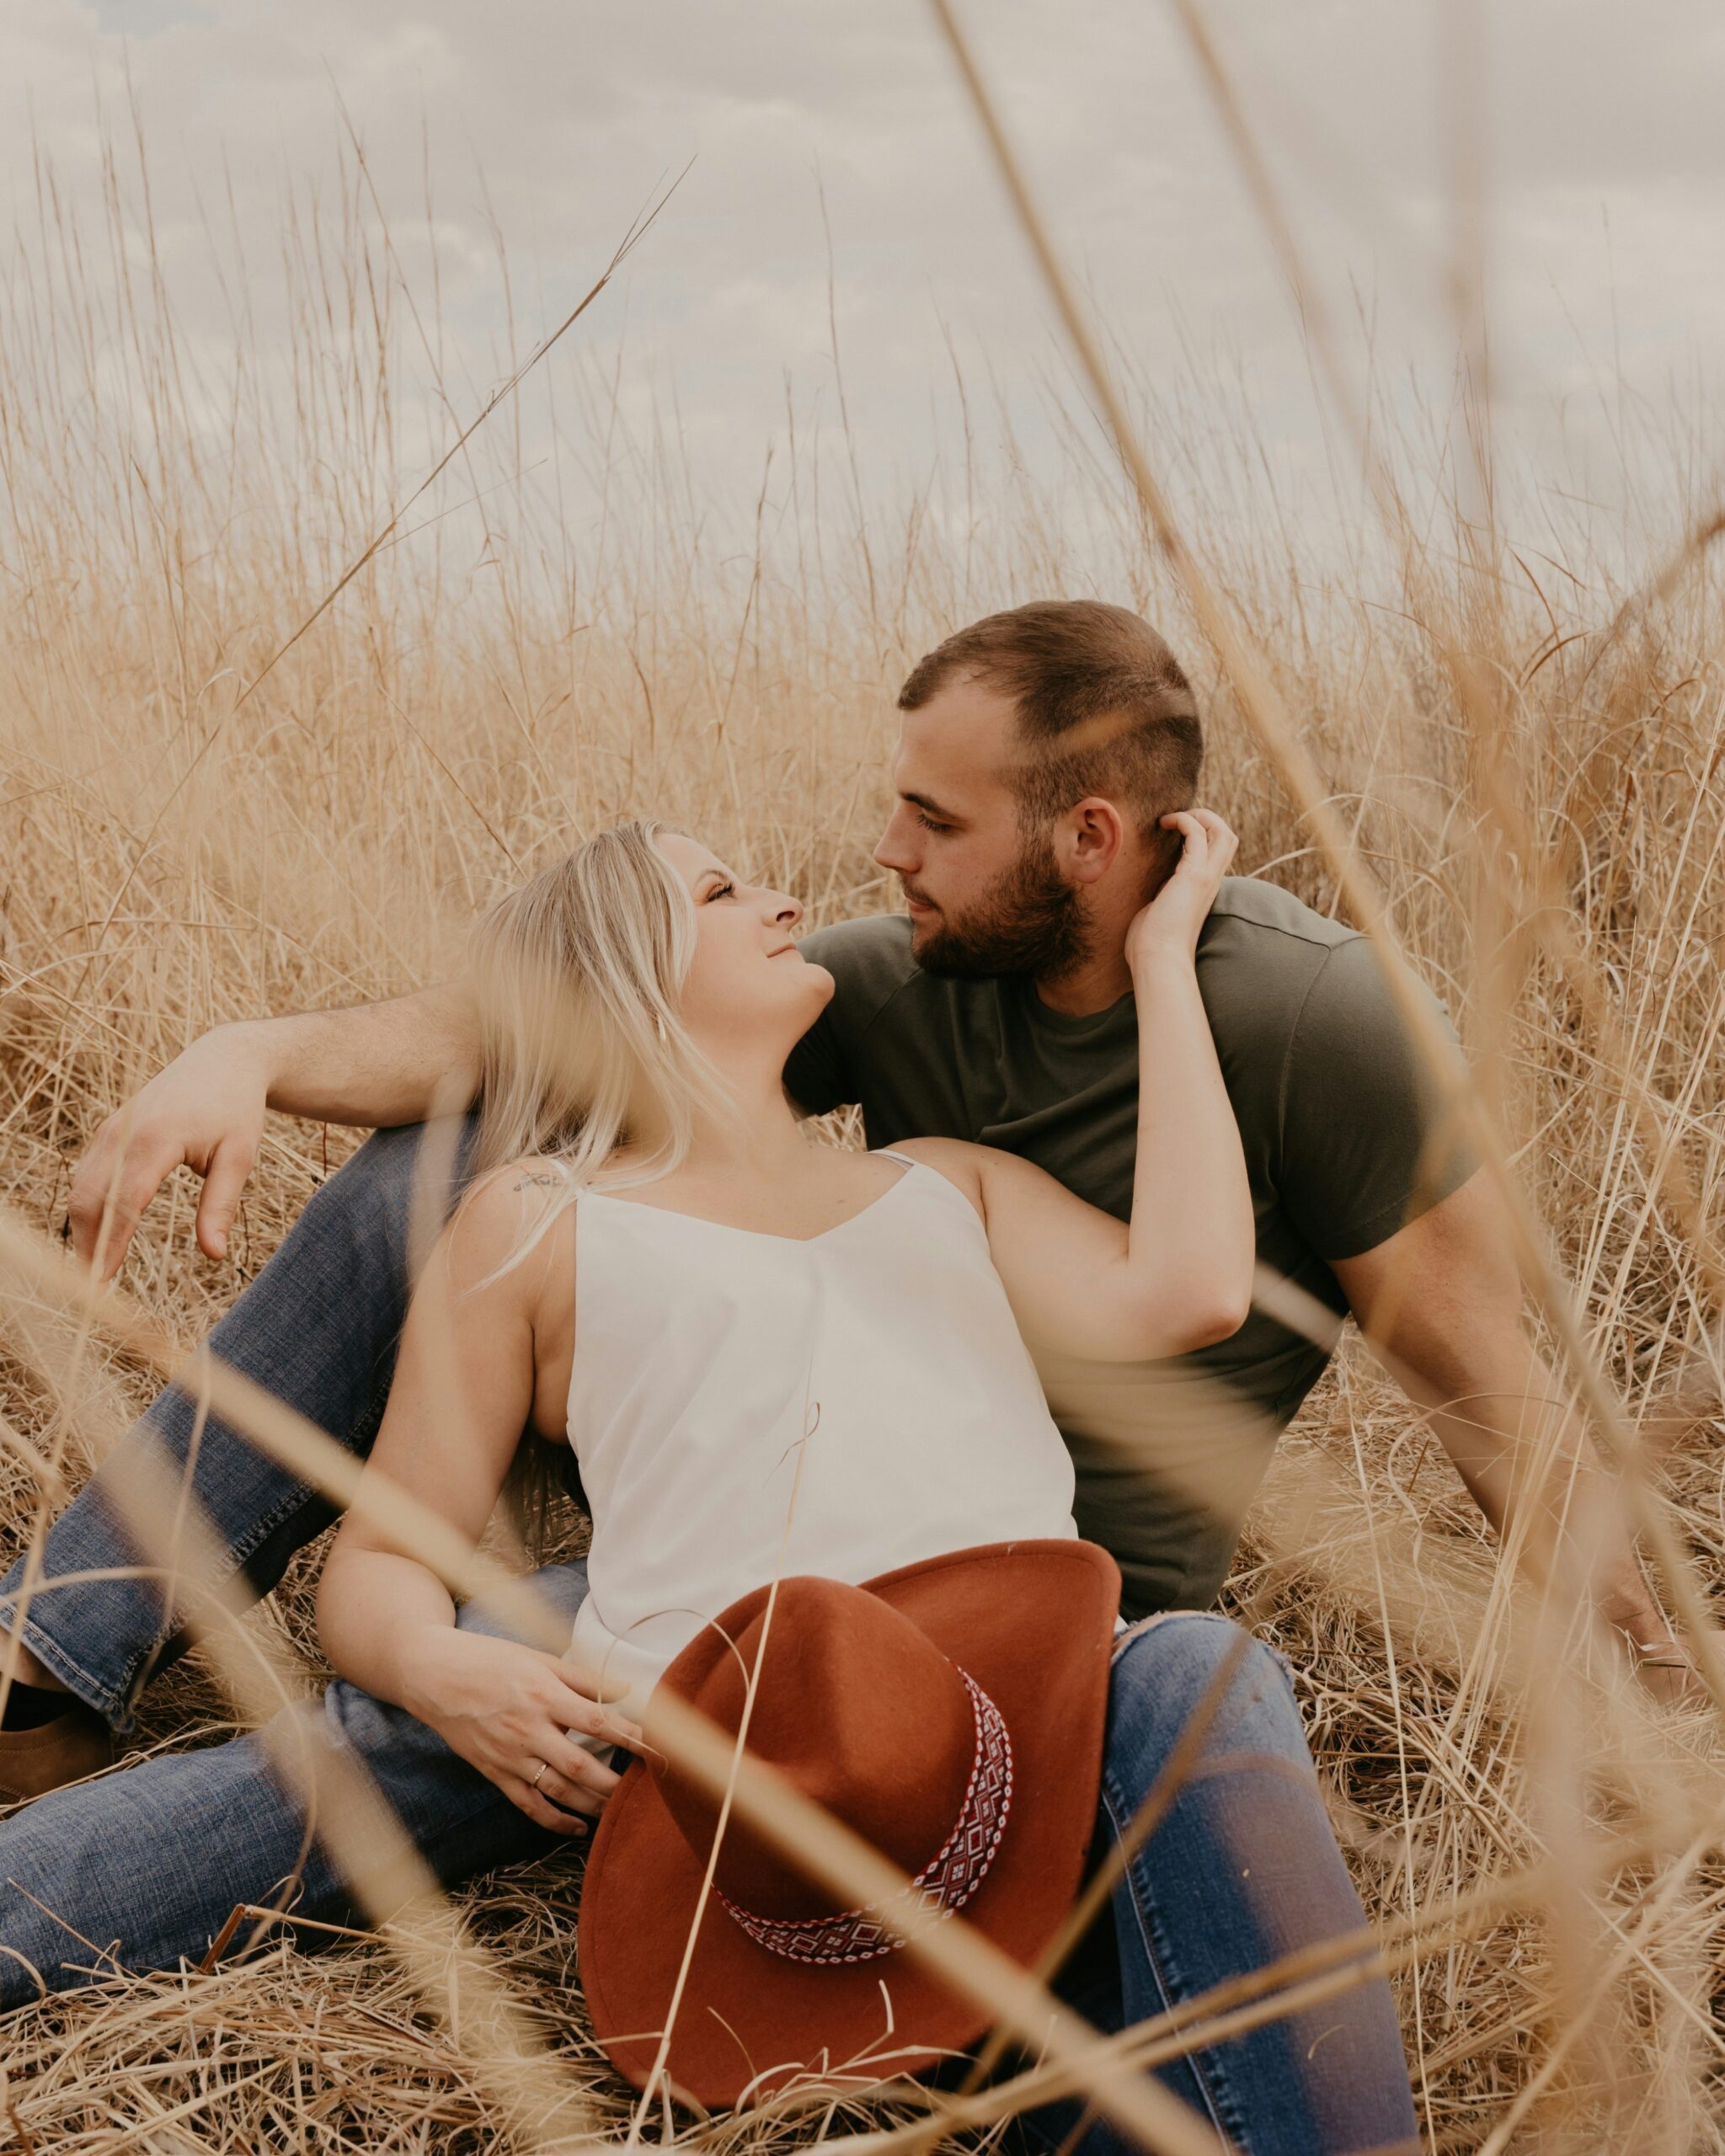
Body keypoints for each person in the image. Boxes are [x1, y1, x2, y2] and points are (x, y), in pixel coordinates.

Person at [0, 595, 1674, 2144]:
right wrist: (256, 1054)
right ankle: (43, 1676)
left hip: (1020, 1651)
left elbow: (1226, 1297)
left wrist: (1161, 965)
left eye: (931, 821)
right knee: (400, 1644)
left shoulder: (972, 1161)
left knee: (1204, 1680)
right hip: (704, 1665)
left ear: (1089, 842)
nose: (860, 866)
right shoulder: (587, 1183)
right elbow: (390, 1525)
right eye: (724, 892)